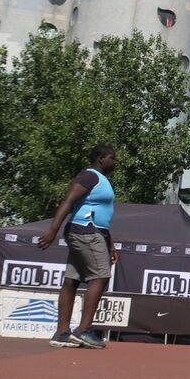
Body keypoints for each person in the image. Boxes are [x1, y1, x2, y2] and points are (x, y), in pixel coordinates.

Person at [38, 145, 118, 349]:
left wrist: (110, 245)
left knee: (71, 280)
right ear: (101, 159)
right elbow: (68, 201)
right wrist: (52, 230)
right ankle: (84, 330)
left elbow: (102, 216)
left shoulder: (101, 179)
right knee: (101, 275)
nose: (115, 162)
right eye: (112, 158)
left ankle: (62, 333)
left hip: (91, 231)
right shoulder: (89, 176)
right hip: (86, 231)